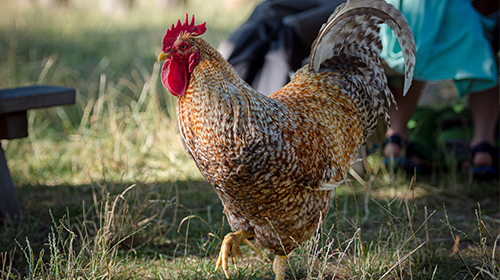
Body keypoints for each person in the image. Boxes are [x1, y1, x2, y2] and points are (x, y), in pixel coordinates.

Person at [381, 0, 499, 179]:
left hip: (404, 16)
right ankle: (483, 145)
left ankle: (395, 138)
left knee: (412, 55)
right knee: (484, 60)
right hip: (458, 17)